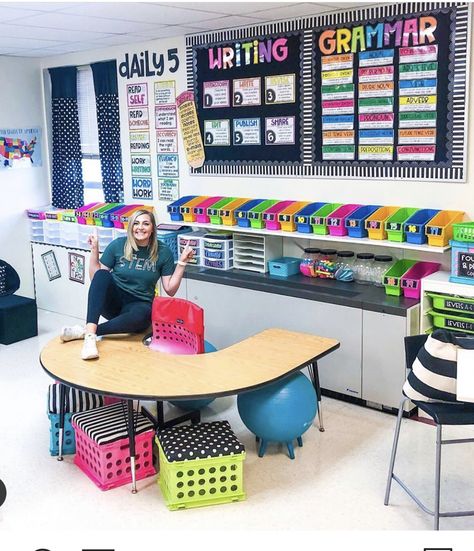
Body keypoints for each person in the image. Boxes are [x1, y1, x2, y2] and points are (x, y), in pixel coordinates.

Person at [60, 209, 194, 360]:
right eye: (136, 223)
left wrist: (182, 263)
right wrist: (94, 250)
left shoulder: (163, 252)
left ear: (152, 228)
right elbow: (96, 278)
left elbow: (170, 289)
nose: (140, 227)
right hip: (114, 301)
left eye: (145, 223)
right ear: (131, 227)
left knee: (144, 315)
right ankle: (90, 339)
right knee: (103, 274)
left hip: (139, 304)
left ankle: (84, 332)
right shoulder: (118, 245)